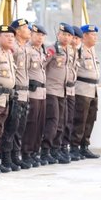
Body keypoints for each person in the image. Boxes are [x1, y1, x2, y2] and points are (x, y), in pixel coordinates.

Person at [0, 19, 32, 168]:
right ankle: (6, 157)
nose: (29, 30)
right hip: (16, 92)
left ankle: (15, 155)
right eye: (25, 28)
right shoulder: (12, 48)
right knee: (11, 127)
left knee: (20, 127)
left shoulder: (25, 48)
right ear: (17, 31)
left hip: (25, 92)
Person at [41, 23, 74, 165]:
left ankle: (56, 148)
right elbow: (41, 66)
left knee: (61, 121)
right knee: (53, 120)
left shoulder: (70, 51)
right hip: (51, 90)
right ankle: (45, 150)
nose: (66, 37)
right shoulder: (51, 49)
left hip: (63, 91)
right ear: (58, 35)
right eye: (63, 34)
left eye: (68, 35)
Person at [0, 25, 16, 173]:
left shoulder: (8, 53)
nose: (10, 39)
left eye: (12, 36)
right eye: (7, 36)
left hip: (6, 97)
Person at [71, 24, 101, 159]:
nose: (95, 37)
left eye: (95, 35)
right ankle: (74, 147)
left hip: (93, 90)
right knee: (80, 119)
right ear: (84, 36)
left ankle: (84, 146)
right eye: (93, 35)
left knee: (90, 119)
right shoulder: (79, 51)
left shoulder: (92, 51)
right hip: (82, 89)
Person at [21, 24, 48, 168]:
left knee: (39, 125)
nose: (40, 38)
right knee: (30, 124)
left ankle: (34, 152)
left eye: (42, 35)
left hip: (42, 92)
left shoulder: (40, 51)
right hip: (32, 91)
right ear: (31, 35)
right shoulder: (27, 50)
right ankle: (26, 152)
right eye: (37, 34)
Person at [61, 26, 82, 161]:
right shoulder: (60, 50)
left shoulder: (74, 52)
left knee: (69, 120)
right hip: (61, 89)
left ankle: (64, 146)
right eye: (72, 37)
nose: (74, 40)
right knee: (60, 120)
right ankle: (58, 147)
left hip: (71, 89)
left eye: (76, 38)